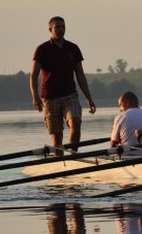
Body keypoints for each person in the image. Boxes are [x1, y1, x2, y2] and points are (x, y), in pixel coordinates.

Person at [30, 16, 96, 154]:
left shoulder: (73, 48)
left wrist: (89, 98)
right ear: (50, 29)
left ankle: (73, 155)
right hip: (50, 97)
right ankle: (59, 161)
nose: (61, 29)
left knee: (75, 122)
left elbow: (80, 75)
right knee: (57, 137)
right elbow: (34, 76)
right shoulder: (42, 49)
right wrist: (35, 97)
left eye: (63, 27)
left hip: (70, 96)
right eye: (57, 27)